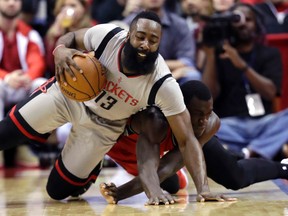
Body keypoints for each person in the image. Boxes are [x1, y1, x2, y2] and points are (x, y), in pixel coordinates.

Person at [0, 11, 221, 202]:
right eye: (140, 37)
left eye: (153, 40)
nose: (146, 44)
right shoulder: (108, 36)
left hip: (102, 126)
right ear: (128, 36)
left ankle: (91, 167)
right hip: (68, 97)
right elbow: (71, 38)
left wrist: (204, 189)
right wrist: (60, 50)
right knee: (6, 133)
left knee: (57, 191)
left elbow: (187, 140)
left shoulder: (163, 83)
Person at [99, 80, 288, 204]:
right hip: (161, 144)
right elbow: (159, 168)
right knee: (170, 186)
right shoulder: (157, 120)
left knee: (235, 178)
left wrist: (119, 193)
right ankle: (230, 156)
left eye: (208, 113)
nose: (203, 120)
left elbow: (167, 166)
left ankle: (282, 168)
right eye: (198, 114)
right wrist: (120, 194)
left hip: (189, 147)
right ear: (181, 108)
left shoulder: (209, 123)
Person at [202, 3, 288, 160]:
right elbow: (209, 95)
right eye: (237, 20)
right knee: (202, 127)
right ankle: (263, 148)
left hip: (263, 123)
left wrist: (242, 65)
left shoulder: (269, 53)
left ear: (256, 24)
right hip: (228, 125)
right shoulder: (219, 55)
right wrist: (210, 56)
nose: (242, 23)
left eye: (249, 19)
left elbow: (270, 93)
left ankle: (247, 152)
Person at [0, 0, 46, 167]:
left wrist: (28, 76)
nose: (11, 3)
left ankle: (27, 146)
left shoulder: (29, 33)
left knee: (42, 86)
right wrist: (6, 77)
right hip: (3, 83)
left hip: (22, 84)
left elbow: (37, 61)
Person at [123, 0, 201, 85]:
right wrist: (172, 74)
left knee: (192, 75)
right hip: (136, 71)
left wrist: (169, 76)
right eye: (141, 37)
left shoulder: (180, 25)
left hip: (168, 74)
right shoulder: (128, 23)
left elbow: (186, 61)